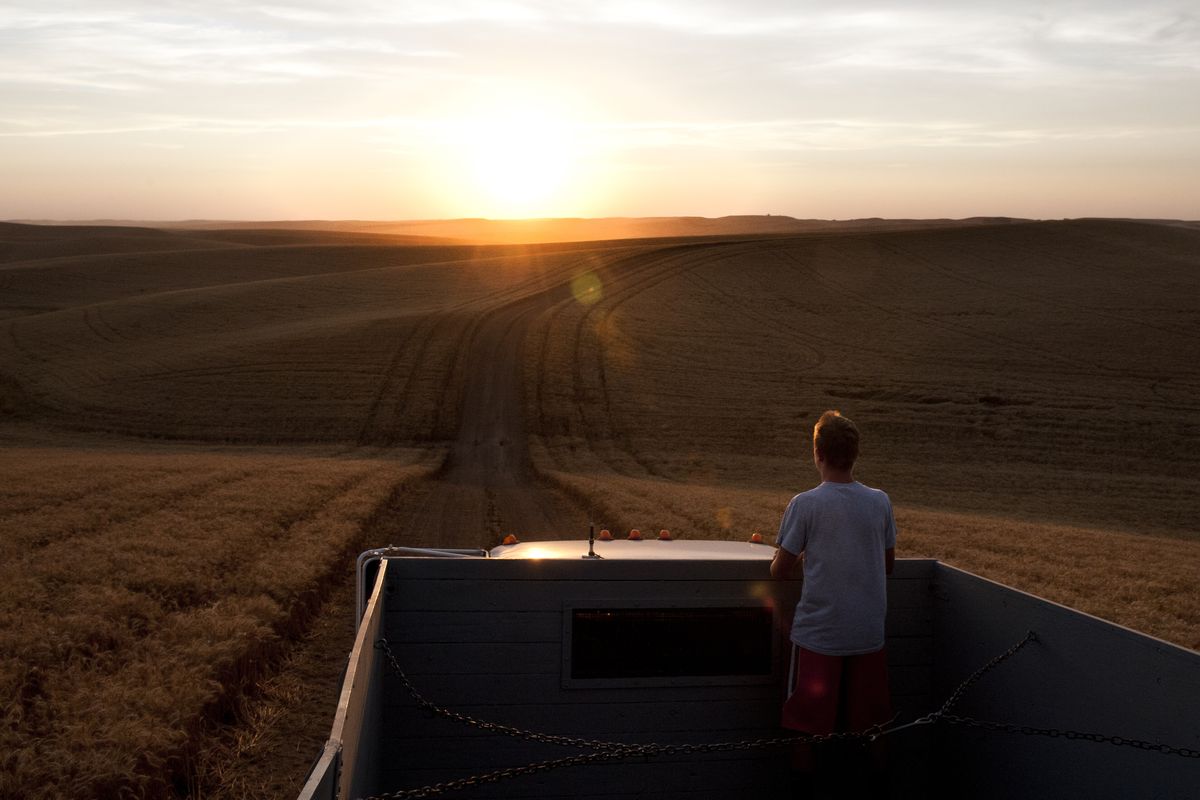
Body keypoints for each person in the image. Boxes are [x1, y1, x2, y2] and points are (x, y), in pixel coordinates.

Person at [770, 410, 896, 797]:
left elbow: (780, 571)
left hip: (820, 636)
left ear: (816, 453)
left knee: (805, 723)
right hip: (868, 634)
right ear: (854, 455)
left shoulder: (805, 504)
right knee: (871, 724)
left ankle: (803, 788)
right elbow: (887, 565)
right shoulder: (879, 502)